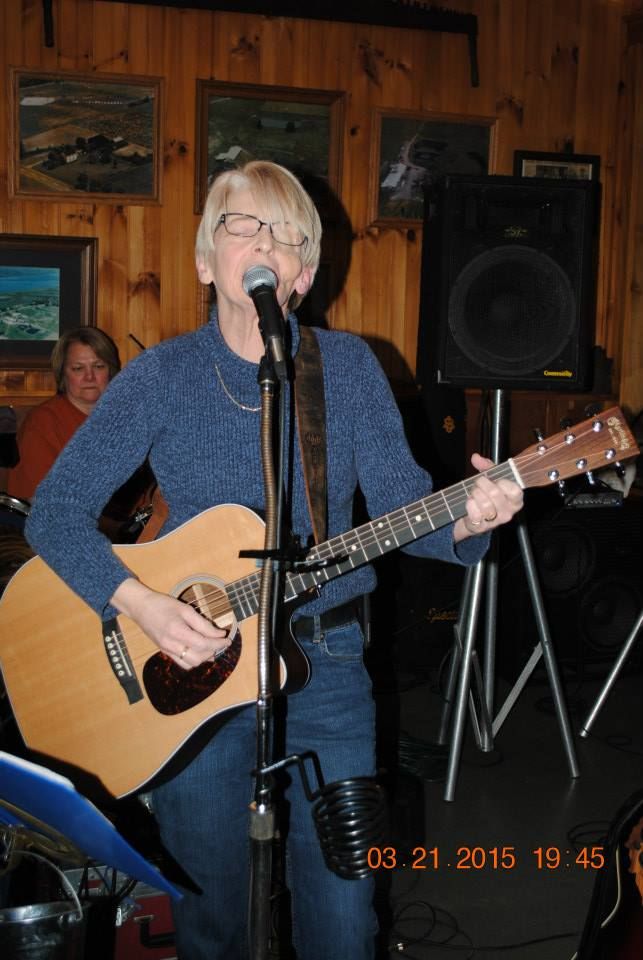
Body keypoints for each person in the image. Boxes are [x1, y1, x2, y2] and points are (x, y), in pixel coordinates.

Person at [25, 160, 524, 960]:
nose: (266, 243)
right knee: (213, 922)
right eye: (244, 225)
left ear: (305, 273)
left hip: (329, 668)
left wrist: (471, 520)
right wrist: (142, 603)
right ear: (204, 261)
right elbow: (53, 515)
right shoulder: (159, 377)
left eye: (287, 234)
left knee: (344, 920)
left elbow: (404, 506)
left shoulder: (348, 368)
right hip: (188, 679)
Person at [7, 327, 121, 502]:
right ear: (63, 373)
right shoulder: (43, 423)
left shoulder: (125, 417)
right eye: (78, 368)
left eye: (98, 366)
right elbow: (40, 501)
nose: (89, 377)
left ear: (110, 371)